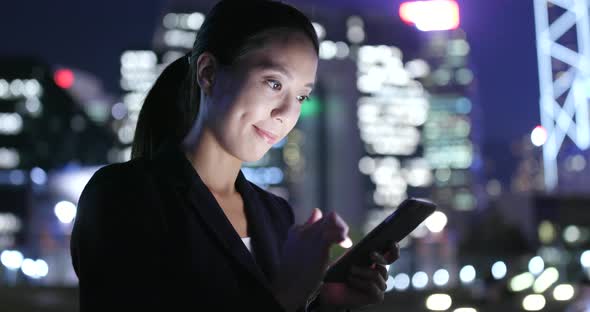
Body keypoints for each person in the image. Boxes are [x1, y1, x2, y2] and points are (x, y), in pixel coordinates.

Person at [70, 0, 400, 311]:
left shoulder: (275, 215)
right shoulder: (124, 195)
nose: (286, 112)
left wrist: (326, 302)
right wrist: (286, 295)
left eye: (301, 96)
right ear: (209, 73)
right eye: (273, 83)